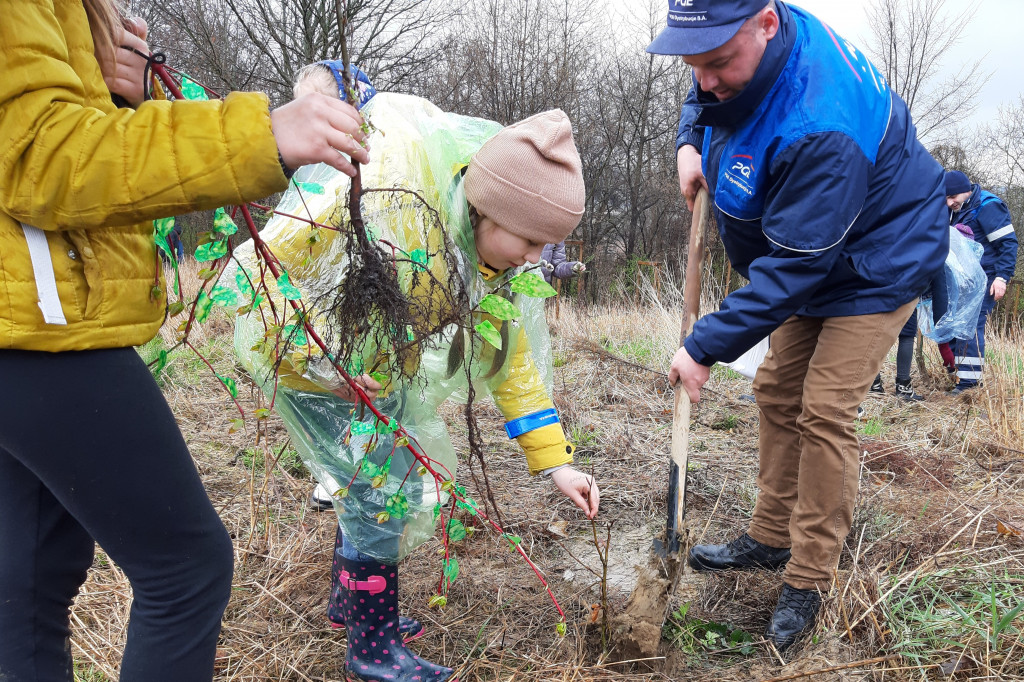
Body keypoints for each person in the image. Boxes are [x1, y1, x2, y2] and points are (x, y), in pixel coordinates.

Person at [0, 2, 375, 679]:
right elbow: (40, 158)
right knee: (185, 569)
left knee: (31, 582)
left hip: (29, 317)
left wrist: (110, 85)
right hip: (37, 326)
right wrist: (259, 136)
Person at [232, 62, 600, 682]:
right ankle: (371, 651)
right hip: (308, 365)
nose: (538, 259)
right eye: (530, 241)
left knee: (383, 486)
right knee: (382, 494)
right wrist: (320, 359)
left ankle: (352, 604)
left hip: (379, 372)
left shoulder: (497, 271)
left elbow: (512, 366)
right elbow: (256, 271)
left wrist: (555, 461)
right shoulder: (390, 199)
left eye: (546, 246)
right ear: (486, 206)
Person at [648, 0, 948, 650]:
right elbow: (710, 89)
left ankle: (809, 576)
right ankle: (769, 535)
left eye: (718, 62)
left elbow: (793, 272)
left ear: (766, 22)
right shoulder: (731, 51)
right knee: (777, 389)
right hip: (815, 242)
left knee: (824, 407)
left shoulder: (823, 124)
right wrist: (685, 144)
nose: (705, 79)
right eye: (693, 64)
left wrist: (703, 348)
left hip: (880, 255)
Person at [944, 170, 1019, 393]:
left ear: (964, 191)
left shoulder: (988, 206)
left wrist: (1001, 278)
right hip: (964, 281)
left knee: (970, 326)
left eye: (952, 198)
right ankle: (961, 376)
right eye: (946, 199)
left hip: (985, 279)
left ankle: (970, 386)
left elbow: (1008, 244)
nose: (949, 203)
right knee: (957, 325)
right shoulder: (961, 208)